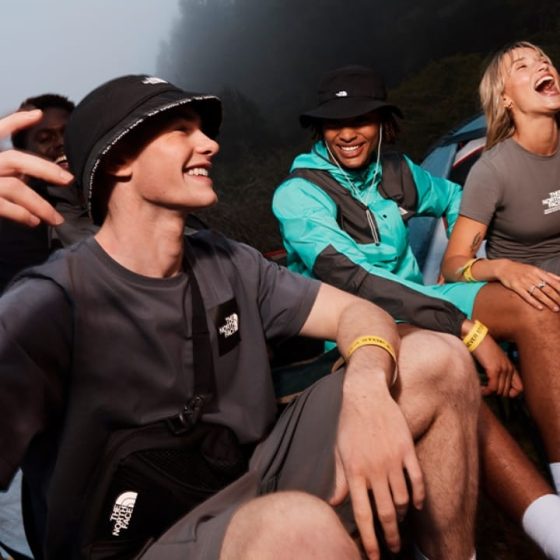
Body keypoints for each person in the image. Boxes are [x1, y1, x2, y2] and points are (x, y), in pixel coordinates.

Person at [0, 75, 481, 560]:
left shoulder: (230, 261)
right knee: (297, 530)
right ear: (120, 160)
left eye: (203, 130)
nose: (209, 145)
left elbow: (358, 312)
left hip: (250, 476)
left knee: (436, 359)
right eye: (180, 131)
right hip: (138, 540)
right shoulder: (49, 302)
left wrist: (367, 387)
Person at [272, 64, 560, 559]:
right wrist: (466, 328)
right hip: (356, 324)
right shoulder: (298, 195)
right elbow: (356, 281)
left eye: (361, 119)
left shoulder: (398, 171)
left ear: (383, 123)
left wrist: (470, 258)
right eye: (334, 123)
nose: (347, 133)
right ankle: (550, 528)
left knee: (537, 306)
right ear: (319, 130)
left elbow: (458, 199)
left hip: (423, 299)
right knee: (448, 362)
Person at [440, 40, 560, 491]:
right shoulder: (493, 170)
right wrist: (502, 268)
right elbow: (454, 264)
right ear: (506, 98)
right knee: (545, 307)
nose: (542, 65)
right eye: (523, 66)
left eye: (544, 60)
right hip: (524, 287)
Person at [0, 95, 96, 291]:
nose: (60, 142)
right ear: (23, 154)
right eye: (44, 138)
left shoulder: (118, 195)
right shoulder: (14, 217)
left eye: (68, 133)